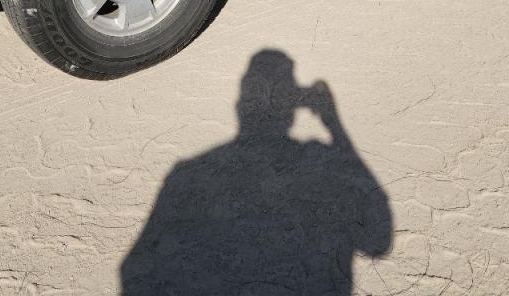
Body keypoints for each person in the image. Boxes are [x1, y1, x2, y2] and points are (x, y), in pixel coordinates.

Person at [120, 49, 392, 295]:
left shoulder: (186, 173)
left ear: (240, 104)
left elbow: (134, 270)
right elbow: (378, 241)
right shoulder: (319, 159)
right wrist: (333, 123)